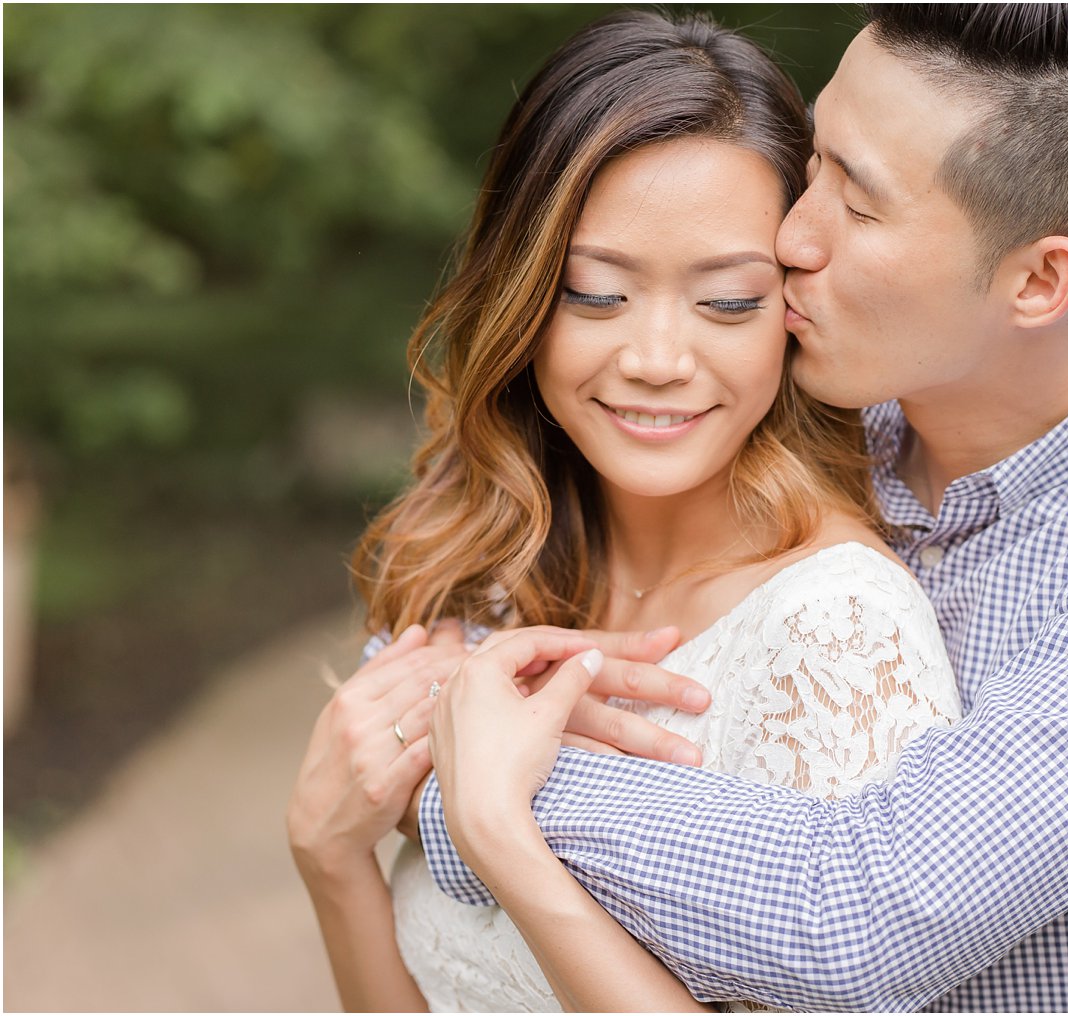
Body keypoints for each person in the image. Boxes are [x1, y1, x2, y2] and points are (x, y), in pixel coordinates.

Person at [403, 3, 1068, 1011]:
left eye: (855, 206)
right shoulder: (808, 407)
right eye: (812, 164)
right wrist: (439, 705)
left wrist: (488, 778)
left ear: (1038, 280)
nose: (790, 236)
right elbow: (488, 575)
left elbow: (857, 915)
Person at [284, 10, 963, 1012]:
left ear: (792, 310)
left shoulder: (836, 638)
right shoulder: (493, 569)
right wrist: (328, 855)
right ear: (520, 298)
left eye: (726, 302)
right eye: (595, 295)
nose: (653, 358)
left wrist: (503, 837)